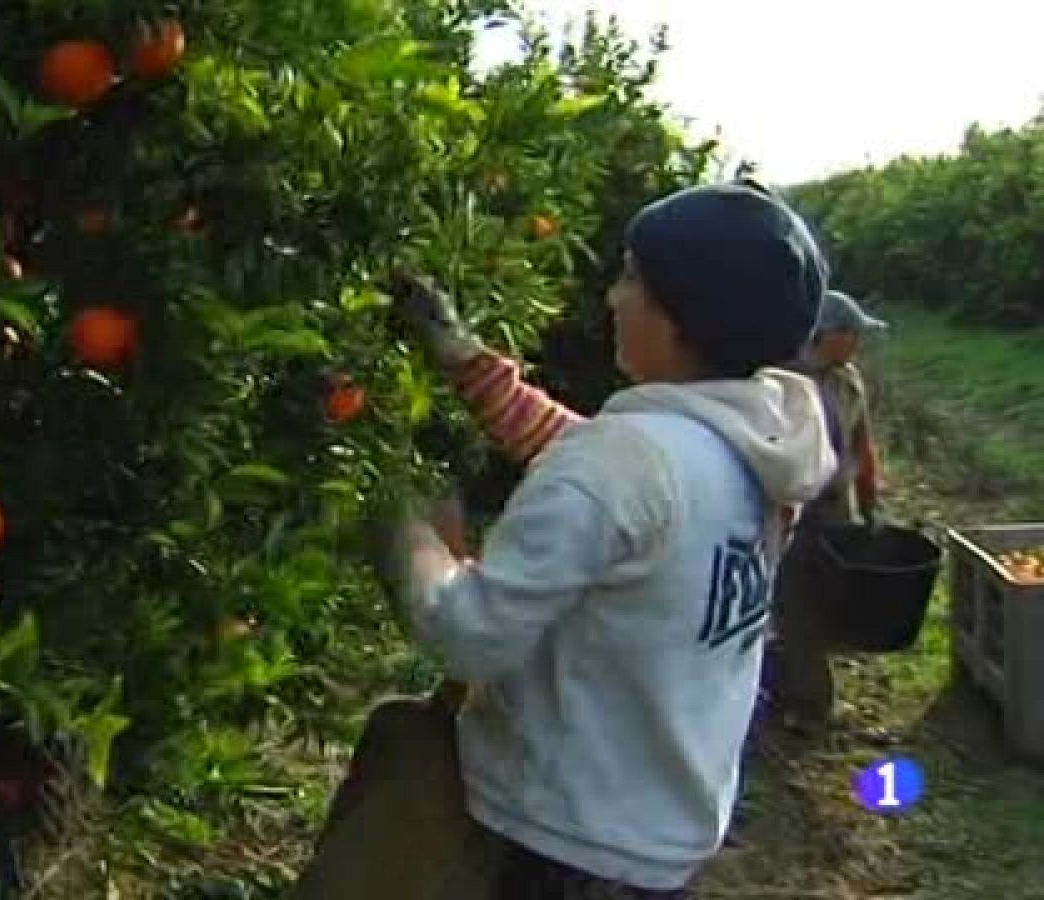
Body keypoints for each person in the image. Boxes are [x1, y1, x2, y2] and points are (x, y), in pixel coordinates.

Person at [291, 181, 839, 900]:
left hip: (556, 838)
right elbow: (601, 468)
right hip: (656, 829)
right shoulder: (755, 449)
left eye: (632, 279)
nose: (612, 296)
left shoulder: (624, 462)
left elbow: (468, 634)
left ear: (680, 319)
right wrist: (467, 362)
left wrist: (409, 534)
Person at [762, 288, 889, 728]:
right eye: (852, 334)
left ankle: (802, 684)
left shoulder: (847, 380)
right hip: (794, 506)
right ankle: (807, 703)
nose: (857, 343)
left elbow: (862, 443)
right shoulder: (780, 381)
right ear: (827, 335)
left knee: (830, 595)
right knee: (794, 601)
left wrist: (870, 499)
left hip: (838, 506)